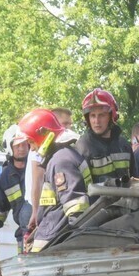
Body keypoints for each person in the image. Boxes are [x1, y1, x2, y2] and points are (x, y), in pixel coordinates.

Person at [18, 108, 92, 252]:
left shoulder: (61, 161)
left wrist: (72, 245)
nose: (32, 149)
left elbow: (76, 210)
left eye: (32, 142)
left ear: (42, 137)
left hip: (54, 245)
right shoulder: (62, 156)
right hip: (53, 238)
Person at [27, 107, 78, 233]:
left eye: (69, 124)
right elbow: (37, 180)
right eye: (64, 124)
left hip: (59, 215)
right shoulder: (41, 146)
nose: (67, 128)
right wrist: (36, 212)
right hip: (46, 211)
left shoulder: (61, 152)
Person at [75, 88, 133, 185]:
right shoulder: (83, 147)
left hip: (126, 199)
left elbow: (133, 179)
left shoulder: (124, 145)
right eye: (93, 116)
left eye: (101, 115)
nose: (96, 121)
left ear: (111, 117)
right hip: (97, 200)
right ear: (87, 119)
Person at [0, 125, 31, 252]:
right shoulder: (5, 178)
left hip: (44, 231)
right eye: (17, 145)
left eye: (25, 144)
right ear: (10, 147)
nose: (22, 148)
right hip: (23, 237)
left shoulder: (37, 167)